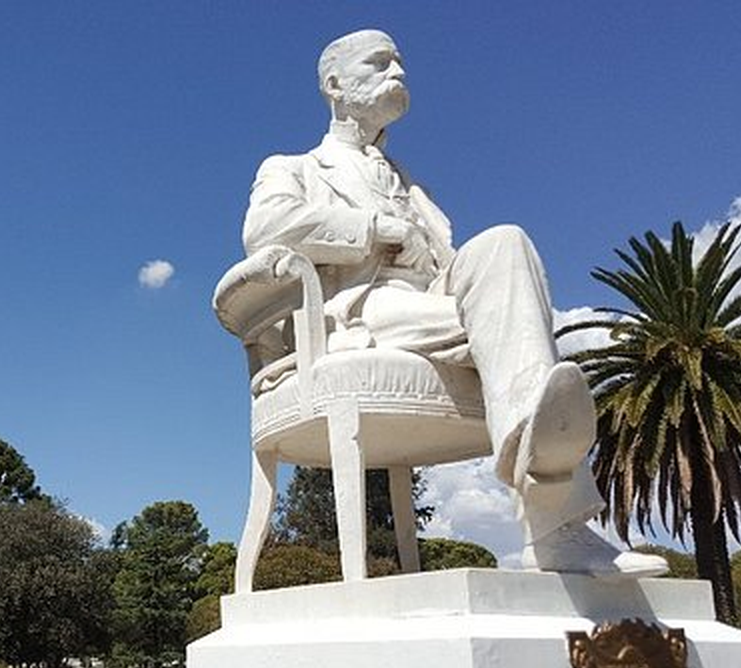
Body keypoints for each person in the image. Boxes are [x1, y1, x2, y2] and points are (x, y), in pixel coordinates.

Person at [243, 29, 664, 576]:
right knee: (516, 345)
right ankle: (557, 515)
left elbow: (454, 264)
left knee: (506, 242)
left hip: (434, 309)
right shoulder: (293, 167)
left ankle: (544, 458)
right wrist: (377, 228)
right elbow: (265, 229)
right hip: (364, 311)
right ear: (335, 84)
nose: (398, 72)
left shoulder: (413, 186)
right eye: (379, 63)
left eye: (401, 63)